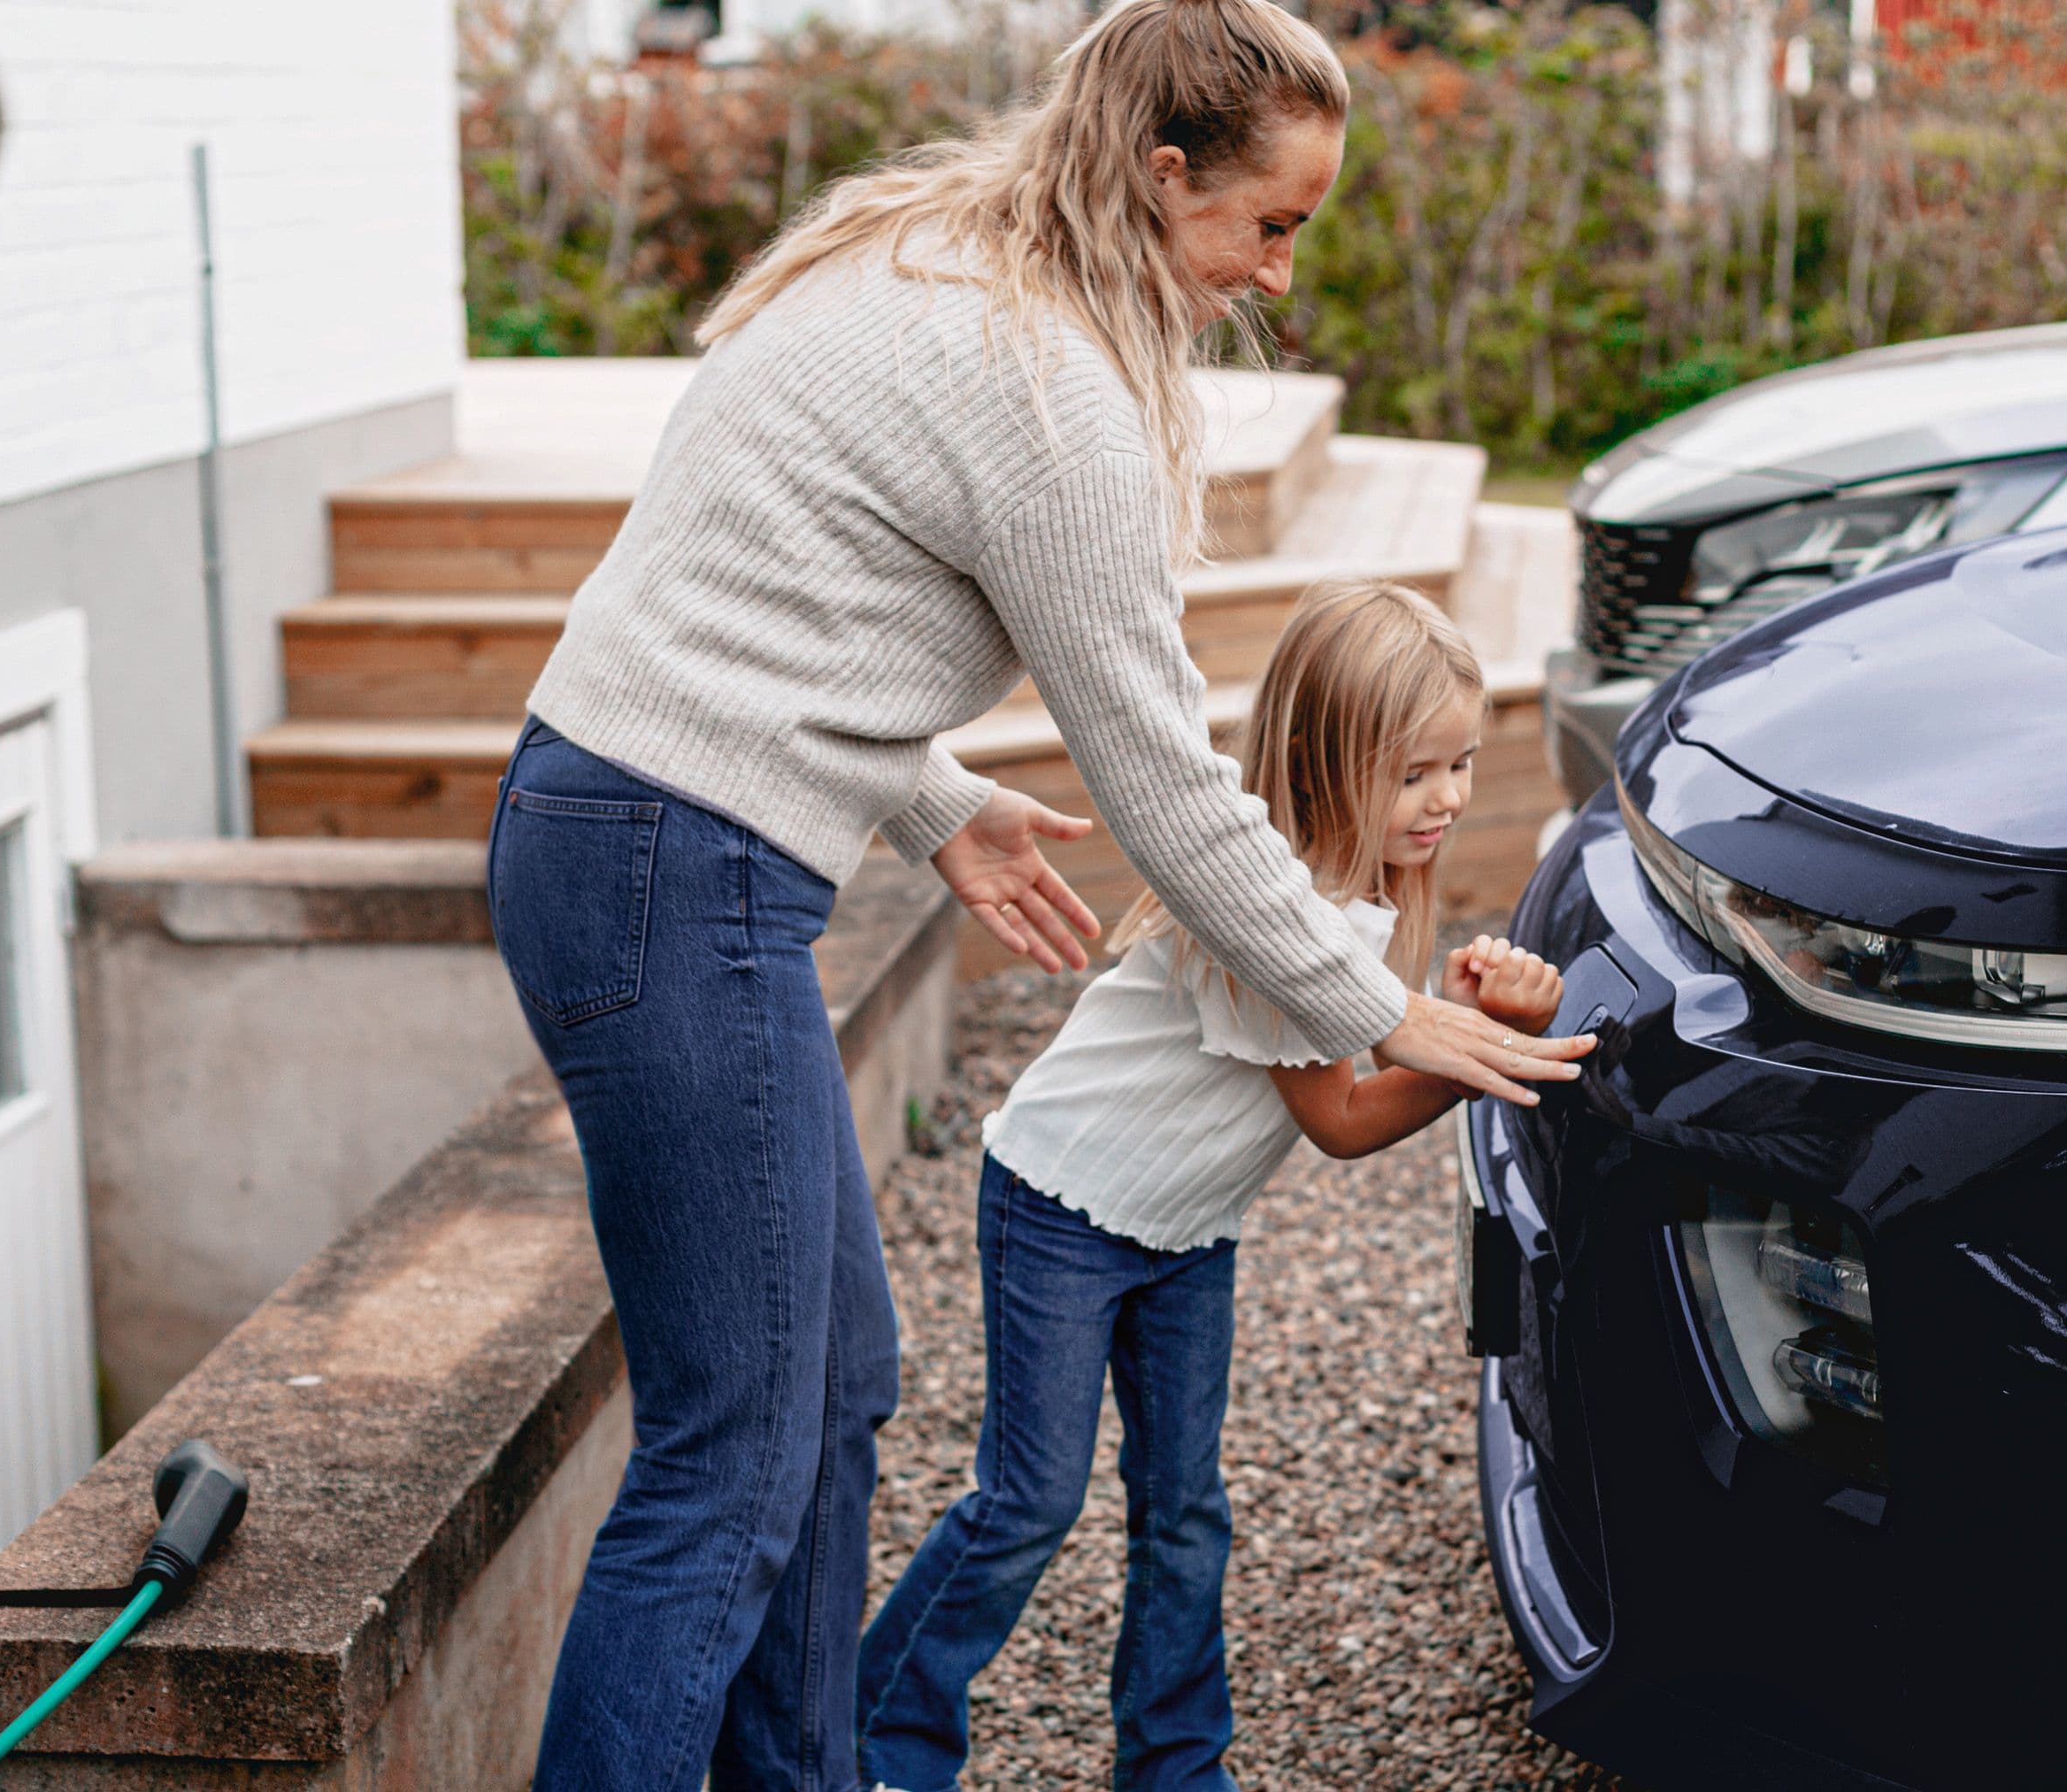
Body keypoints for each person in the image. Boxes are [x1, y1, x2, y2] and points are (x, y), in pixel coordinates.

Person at [481, 0, 1594, 1783]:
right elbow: (1165, 783)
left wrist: (924, 797)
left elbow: (746, 589)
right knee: (732, 1448)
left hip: (643, 838)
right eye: (1269, 224)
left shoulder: (930, 263)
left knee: (829, 1394)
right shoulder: (1051, 387)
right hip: (665, 874)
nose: (1279, 277)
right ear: (1163, 174)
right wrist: (1380, 997)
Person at [854, 583, 1565, 1792]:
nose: (1446, 799)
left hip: (1186, 1229)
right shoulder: (1259, 917)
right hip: (1064, 1205)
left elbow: (1375, 1036)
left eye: (1460, 764)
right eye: (1413, 775)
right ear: (1318, 762)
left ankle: (1178, 1763)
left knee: (1184, 1507)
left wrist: (1462, 1012)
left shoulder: (1357, 905)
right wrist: (1474, 1052)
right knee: (1030, 1496)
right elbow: (1340, 1118)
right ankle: (876, 1736)